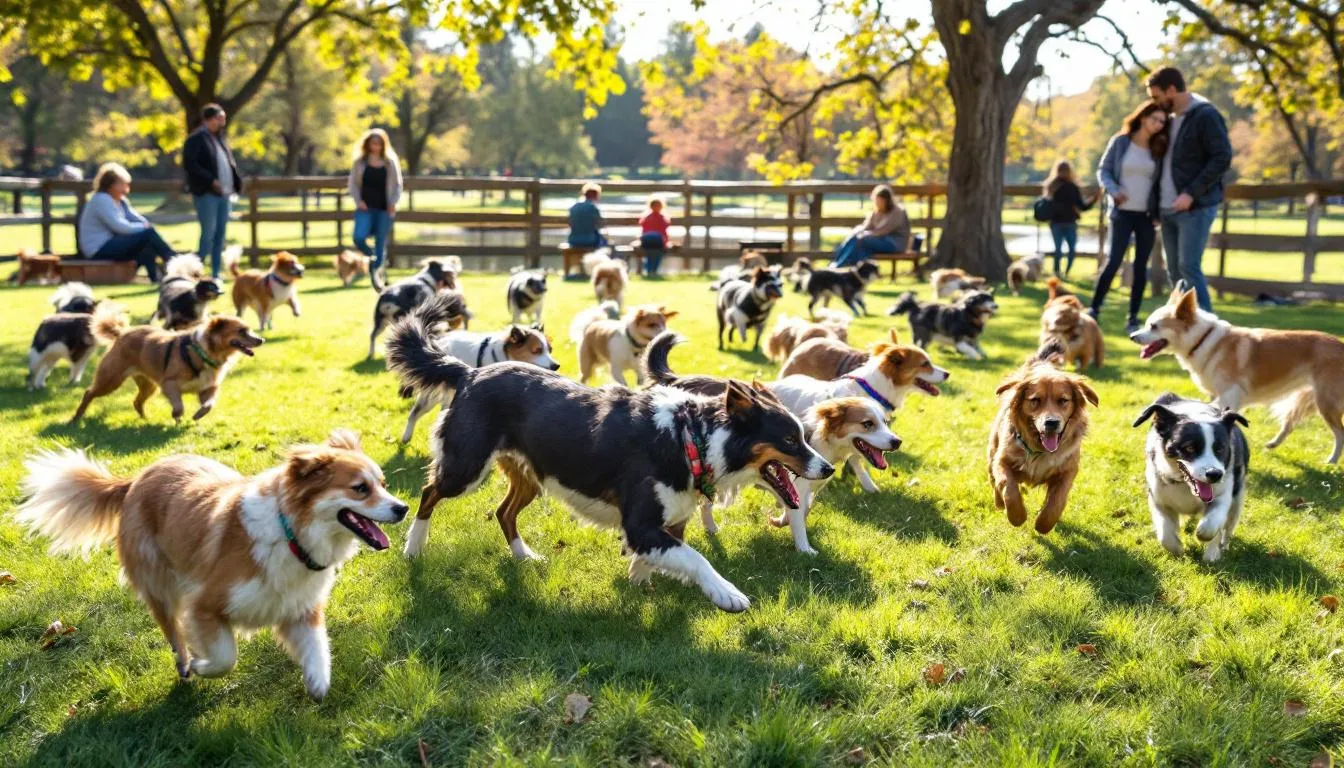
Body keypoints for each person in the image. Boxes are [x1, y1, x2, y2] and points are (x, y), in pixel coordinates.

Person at [1147, 66, 1232, 313]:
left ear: (1171, 89)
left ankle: (1207, 331)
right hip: (1167, 208)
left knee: (1188, 267)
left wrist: (1191, 193)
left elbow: (1222, 157)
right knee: (1175, 271)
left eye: (1157, 96)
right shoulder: (1169, 121)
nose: (1155, 102)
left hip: (1194, 207)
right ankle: (1183, 329)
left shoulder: (1205, 116)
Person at [1090, 101, 1169, 333]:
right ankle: (1094, 308)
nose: (1158, 125)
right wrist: (1113, 190)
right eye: (1155, 119)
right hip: (1121, 213)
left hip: (1146, 216)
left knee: (1140, 266)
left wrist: (1158, 212)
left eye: (1162, 122)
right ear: (1143, 117)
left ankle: (1133, 317)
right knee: (1114, 260)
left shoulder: (1158, 148)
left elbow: (1161, 183)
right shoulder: (1121, 142)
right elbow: (1103, 170)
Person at [77, 163, 176, 282]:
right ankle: (174, 261)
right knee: (148, 234)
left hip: (112, 243)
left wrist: (145, 226)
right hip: (98, 249)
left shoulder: (120, 201)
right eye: (122, 184)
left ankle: (156, 278)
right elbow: (120, 227)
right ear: (111, 184)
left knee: (146, 243)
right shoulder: (101, 200)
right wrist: (145, 228)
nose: (126, 188)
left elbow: (137, 219)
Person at [182, 103, 242, 279]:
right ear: (207, 119)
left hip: (224, 194)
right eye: (219, 117)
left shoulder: (219, 138)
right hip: (207, 194)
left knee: (220, 234)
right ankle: (196, 270)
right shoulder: (196, 139)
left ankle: (216, 272)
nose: (222, 121)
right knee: (208, 233)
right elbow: (190, 164)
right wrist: (210, 180)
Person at [348, 128, 403, 288]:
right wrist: (358, 201)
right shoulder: (360, 162)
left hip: (384, 209)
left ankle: (378, 277)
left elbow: (398, 185)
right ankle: (372, 257)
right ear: (368, 144)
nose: (376, 146)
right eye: (373, 143)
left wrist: (393, 202)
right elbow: (352, 184)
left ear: (383, 144)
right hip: (365, 208)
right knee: (358, 236)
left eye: (379, 143)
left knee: (381, 242)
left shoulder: (390, 162)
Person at [1042, 161, 1100, 278]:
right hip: (1068, 222)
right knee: (1069, 249)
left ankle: (1058, 272)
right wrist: (1094, 199)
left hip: (1058, 222)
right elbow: (1082, 206)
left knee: (1059, 249)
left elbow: (1046, 204)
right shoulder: (1070, 187)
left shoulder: (1052, 186)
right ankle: (1064, 273)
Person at [831, 184, 909, 267]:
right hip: (878, 241)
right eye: (877, 201)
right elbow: (866, 226)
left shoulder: (897, 212)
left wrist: (864, 234)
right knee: (855, 240)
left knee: (862, 239)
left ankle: (840, 265)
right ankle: (837, 264)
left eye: (881, 201)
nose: (878, 204)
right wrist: (856, 232)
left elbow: (883, 230)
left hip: (894, 244)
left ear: (887, 201)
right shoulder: (876, 211)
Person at [638, 194, 672, 275]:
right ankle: (653, 270)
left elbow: (643, 231)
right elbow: (663, 232)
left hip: (646, 240)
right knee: (658, 253)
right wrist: (666, 242)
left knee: (650, 254)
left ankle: (649, 270)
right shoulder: (662, 218)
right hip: (657, 241)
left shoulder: (646, 217)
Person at [567, 182, 608, 248]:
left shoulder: (574, 206)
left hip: (573, 240)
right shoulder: (593, 208)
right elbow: (600, 224)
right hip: (590, 240)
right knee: (606, 244)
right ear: (596, 195)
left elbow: (570, 223)